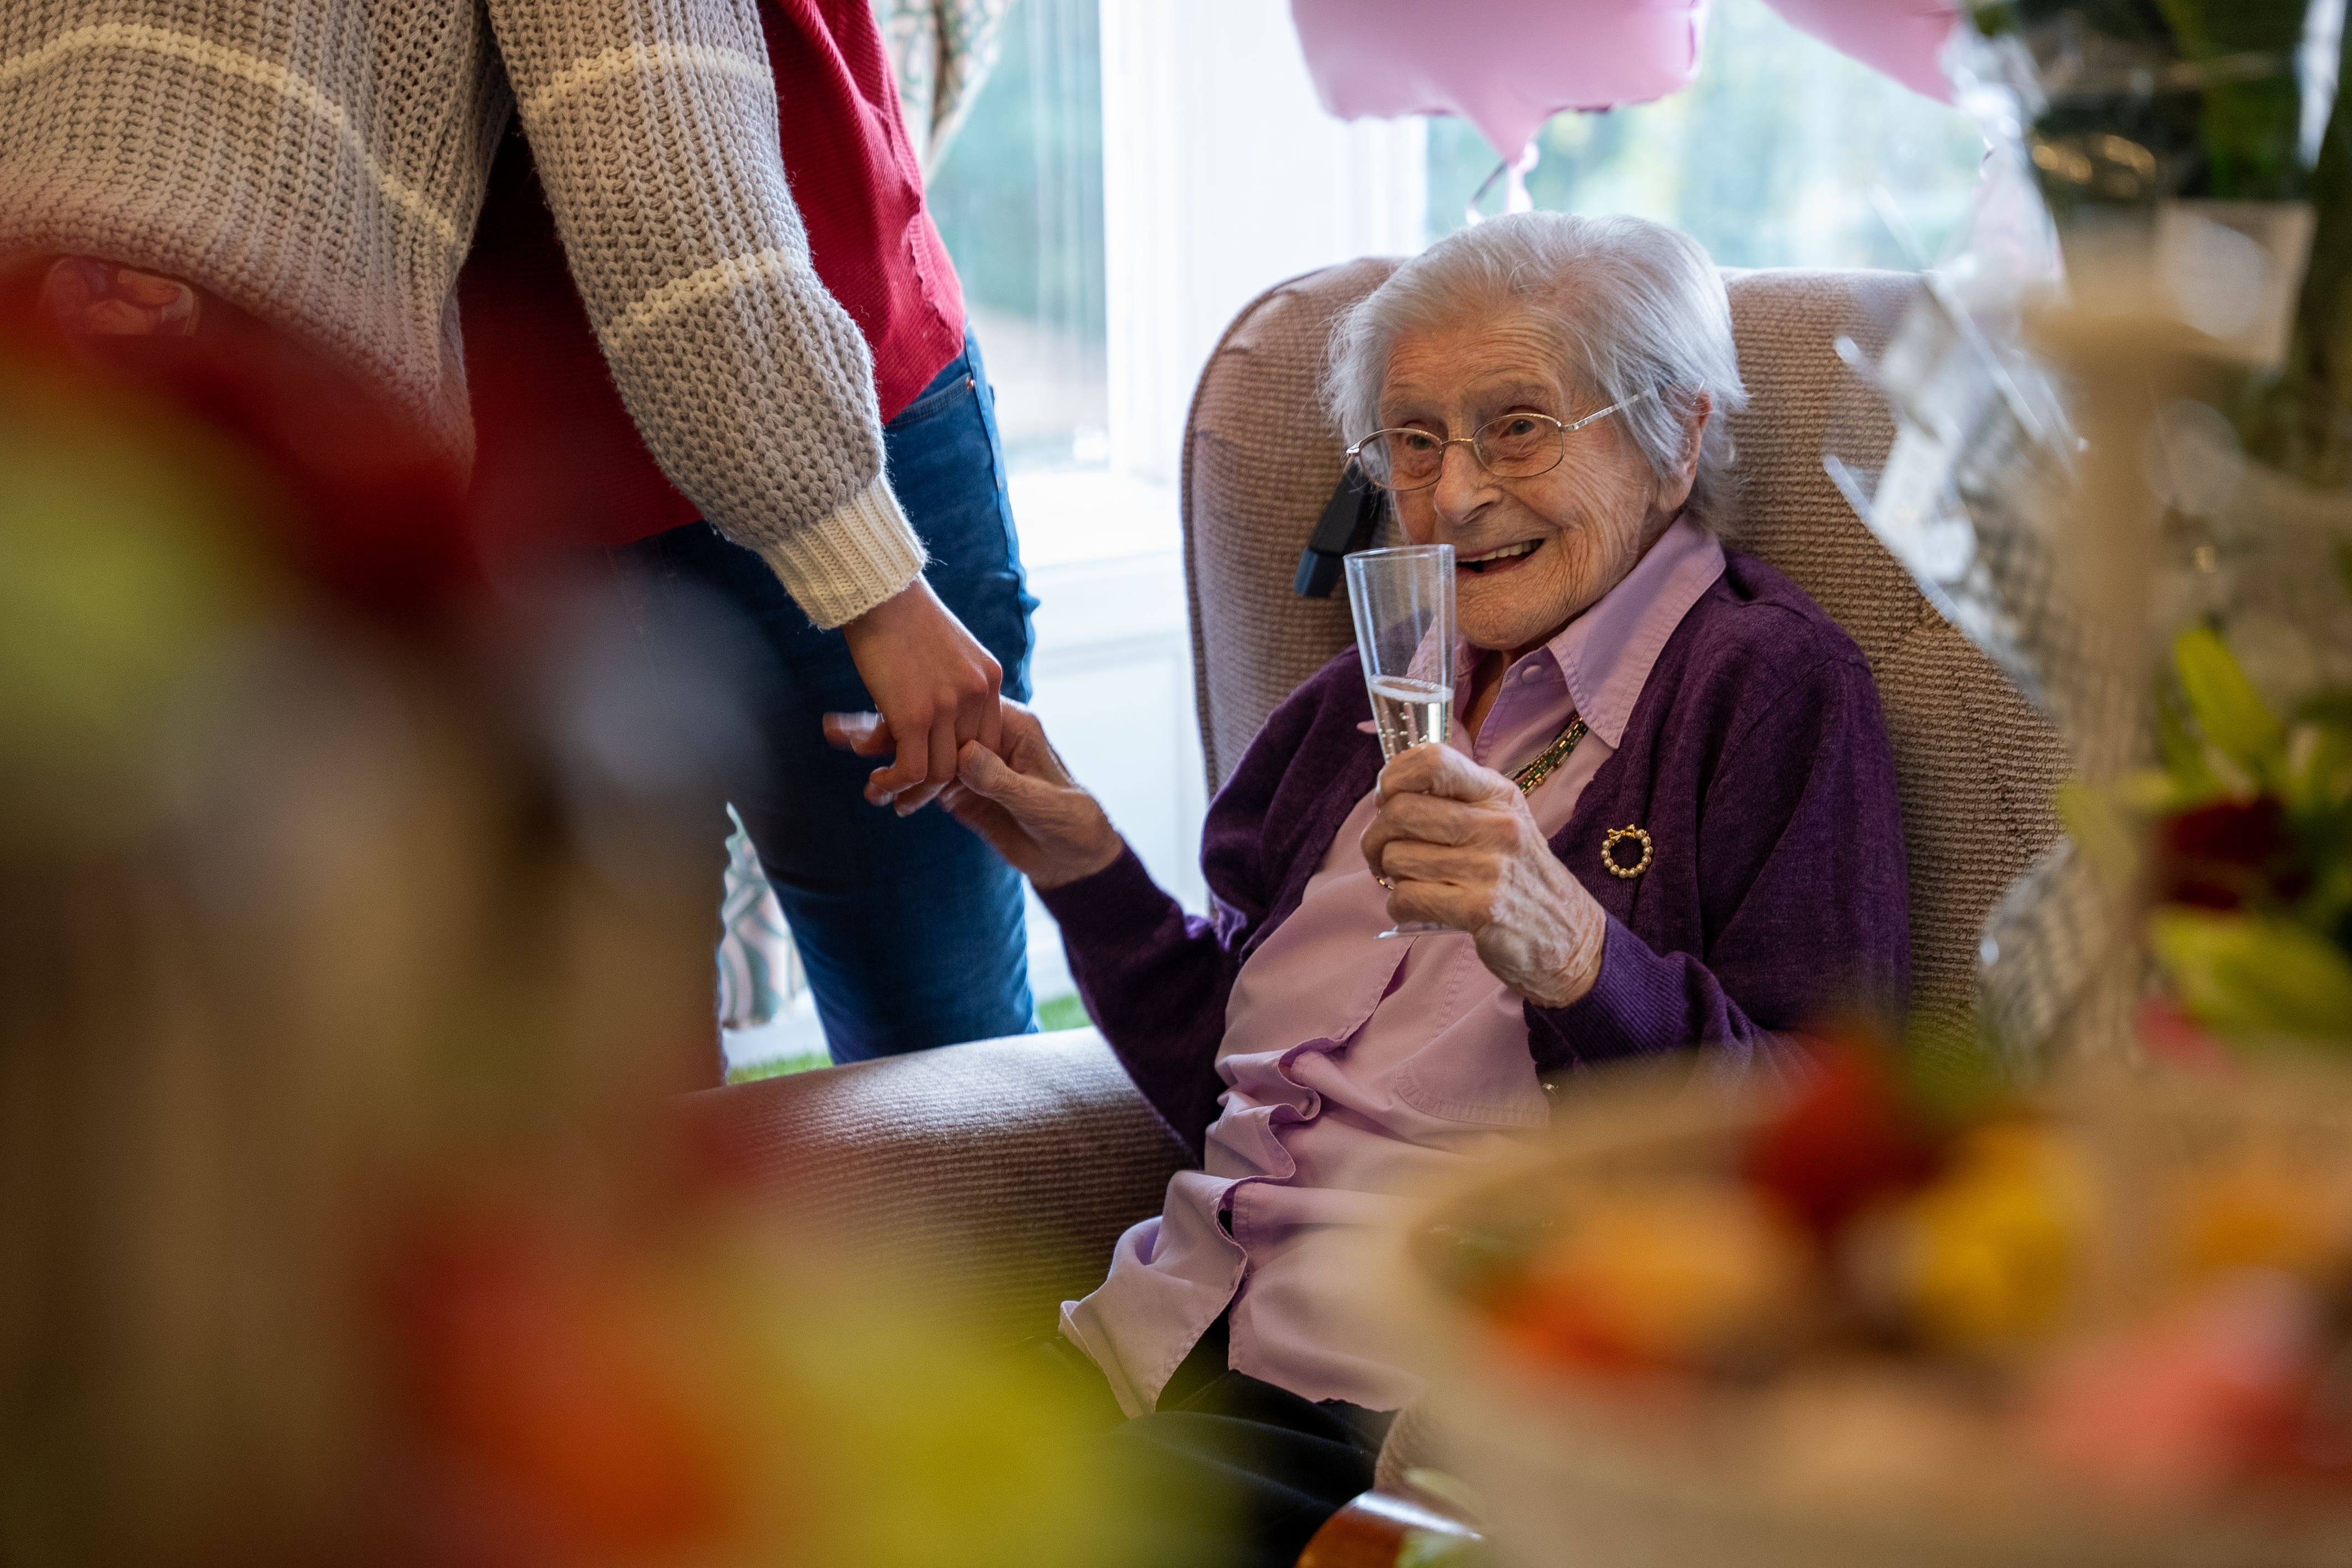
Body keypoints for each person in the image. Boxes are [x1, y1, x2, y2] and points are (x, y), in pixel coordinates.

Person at [909, 211, 1912, 1566]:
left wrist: (1570, 953)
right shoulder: (1352, 709)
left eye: (1516, 426)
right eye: (1413, 440)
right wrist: (1087, 875)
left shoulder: (1761, 687)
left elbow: (1829, 1147)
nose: (1450, 499)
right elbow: (1235, 1087)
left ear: (1675, 434)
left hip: (1407, 1418)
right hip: (1156, 1337)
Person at [0, 3, 1012, 1062]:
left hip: (806, 368)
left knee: (936, 1056)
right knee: (636, 1114)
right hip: (484, 462)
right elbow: (654, 153)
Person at [459, 0, 1037, 1063]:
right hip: (522, 479)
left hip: (854, 375)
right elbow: (647, 146)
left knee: (952, 1069)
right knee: (625, 1133)